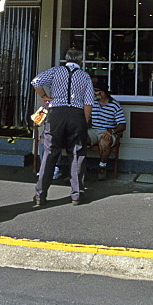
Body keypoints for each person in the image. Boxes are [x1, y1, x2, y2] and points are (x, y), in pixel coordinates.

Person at [32, 48, 94, 206]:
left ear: (66, 59)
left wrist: (44, 96)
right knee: (77, 154)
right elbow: (88, 103)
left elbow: (36, 82)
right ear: (81, 61)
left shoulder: (55, 71)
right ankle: (76, 195)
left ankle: (40, 195)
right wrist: (84, 122)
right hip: (76, 115)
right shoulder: (85, 76)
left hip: (56, 114)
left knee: (50, 153)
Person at [88, 83, 125, 180]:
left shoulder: (114, 105)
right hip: (93, 130)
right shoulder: (93, 103)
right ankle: (79, 169)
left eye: (95, 91)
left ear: (103, 93)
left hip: (108, 131)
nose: (93, 93)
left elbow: (122, 125)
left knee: (104, 141)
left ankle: (102, 167)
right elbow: (88, 119)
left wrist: (111, 131)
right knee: (80, 138)